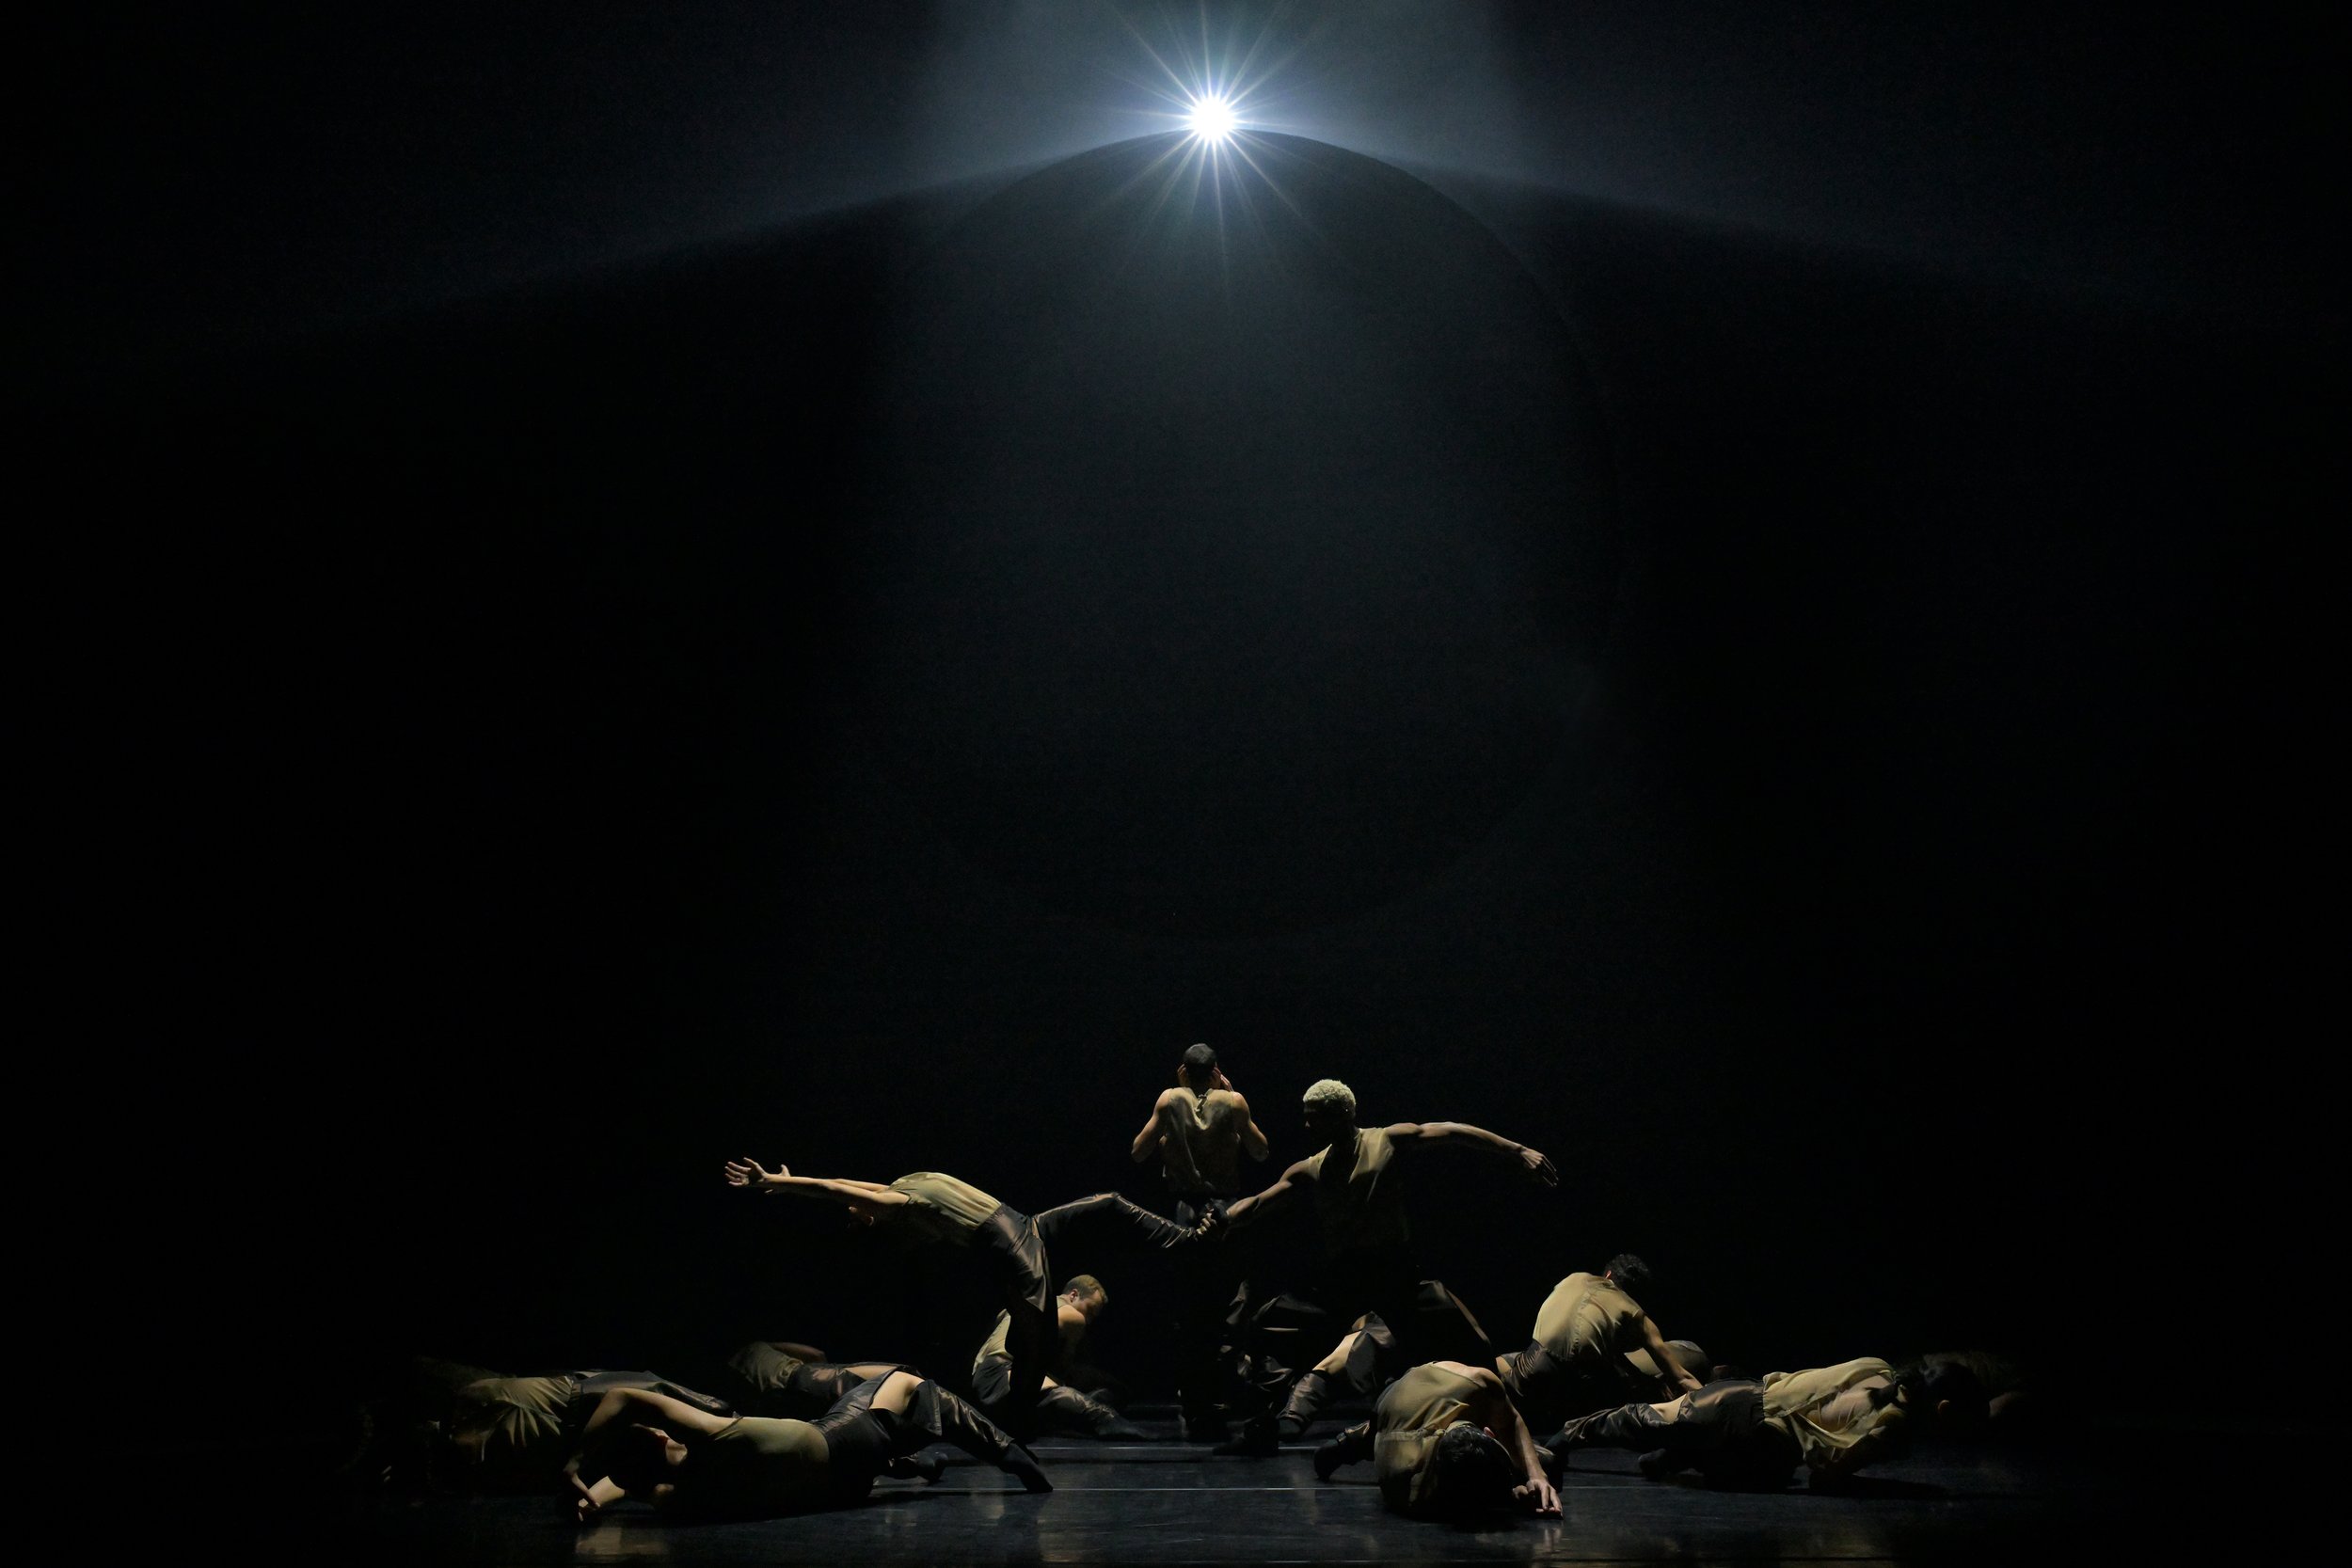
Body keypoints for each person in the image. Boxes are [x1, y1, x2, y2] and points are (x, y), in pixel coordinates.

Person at [723, 1160, 1214, 1435]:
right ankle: (1027, 1420)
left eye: (856, 1211)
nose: (857, 1209)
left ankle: (1188, 1240)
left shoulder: (896, 1189)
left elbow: (839, 1185)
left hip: (1023, 1225)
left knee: (1106, 1204)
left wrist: (782, 1181)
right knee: (1034, 1339)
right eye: (859, 1216)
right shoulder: (898, 1202)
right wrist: (782, 1184)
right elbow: (838, 1190)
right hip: (1011, 1244)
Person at [1213, 1079, 1557, 1454]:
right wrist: (1222, 1219)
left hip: (1395, 1273)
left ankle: (1510, 1429)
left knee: (1472, 1345)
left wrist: (1517, 1150)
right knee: (1270, 1327)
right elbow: (1260, 1202)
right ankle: (1264, 1429)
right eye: (1307, 1117)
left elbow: (1452, 1132)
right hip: (1347, 1276)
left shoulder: (1386, 1141)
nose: (1308, 1126)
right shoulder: (1312, 1168)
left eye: (1316, 1118)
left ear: (1342, 1115)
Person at [566, 1370, 1050, 1521]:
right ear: (657, 1434)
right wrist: (573, 1463)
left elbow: (628, 1481)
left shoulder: (677, 1498)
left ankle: (917, 1464)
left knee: (876, 1445)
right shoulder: (710, 1434)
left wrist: (591, 1496)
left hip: (841, 1489)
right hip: (844, 1441)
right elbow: (624, 1396)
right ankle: (1010, 1454)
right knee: (907, 1381)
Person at [1546, 1355, 1986, 1489]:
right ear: (1942, 1410)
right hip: (1743, 1422)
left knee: (1767, 1470)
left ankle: (1676, 1455)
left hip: (1750, 1418)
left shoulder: (1877, 1367)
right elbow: (1827, 1478)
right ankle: (1566, 1435)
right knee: (1649, 1423)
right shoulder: (1895, 1425)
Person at [1127, 1042, 1269, 1438]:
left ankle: (1194, 1401)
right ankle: (1225, 1394)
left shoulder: (1169, 1099)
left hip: (1185, 1212)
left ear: (1184, 1070)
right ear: (1216, 1070)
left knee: (1190, 1308)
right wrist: (1232, 1098)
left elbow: (1138, 1152)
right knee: (1230, 1304)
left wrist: (1172, 1133)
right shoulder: (1234, 1102)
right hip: (1226, 1209)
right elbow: (1261, 1152)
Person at [401, 1355, 739, 1492]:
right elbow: (631, 1394)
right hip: (566, 1407)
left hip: (562, 1424)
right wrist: (576, 1463)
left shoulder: (702, 1465)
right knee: (468, 1403)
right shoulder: (715, 1420)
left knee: (467, 1442)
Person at [1311, 1359, 1561, 1521]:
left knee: (1541, 1466)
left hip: (1397, 1409)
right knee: (1547, 1463)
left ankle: (1357, 1438)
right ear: (1489, 1432)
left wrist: (1536, 1477)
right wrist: (1518, 1492)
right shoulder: (1420, 1500)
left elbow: (1511, 1420)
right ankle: (1358, 1437)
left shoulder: (1414, 1495)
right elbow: (1511, 1420)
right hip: (1401, 1398)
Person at [1493, 1255, 1704, 1433]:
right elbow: (1682, 1376)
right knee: (1653, 1387)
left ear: (1608, 1275)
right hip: (1585, 1385)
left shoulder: (1575, 1278)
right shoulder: (1636, 1314)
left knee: (1504, 1363)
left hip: (1534, 1369)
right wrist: (1711, 1402)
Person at [969, 1274, 1146, 1438]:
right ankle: (1104, 1418)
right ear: (1073, 1295)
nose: (1089, 1320)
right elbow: (1063, 1369)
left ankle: (1063, 1420)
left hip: (982, 1384)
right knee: (1105, 1390)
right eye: (1090, 1310)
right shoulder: (1074, 1317)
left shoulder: (1021, 1306)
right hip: (1002, 1376)